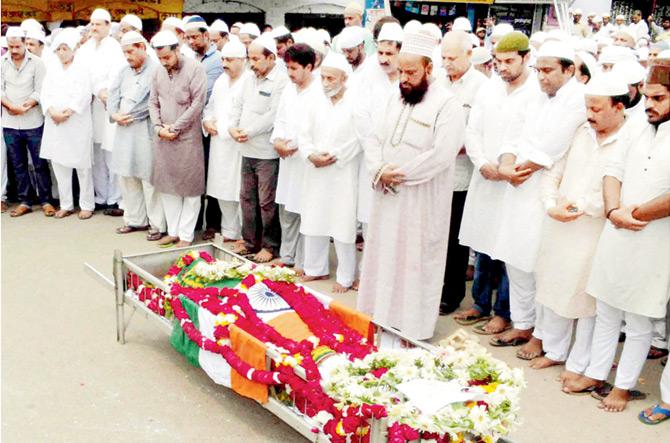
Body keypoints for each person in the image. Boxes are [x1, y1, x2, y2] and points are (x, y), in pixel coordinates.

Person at [563, 58, 670, 413]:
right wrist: (613, 212)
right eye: (649, 97)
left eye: (660, 98)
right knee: (607, 307)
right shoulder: (638, 126)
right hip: (619, 228)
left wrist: (632, 214)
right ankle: (596, 373)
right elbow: (613, 170)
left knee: (638, 318)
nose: (651, 104)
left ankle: (623, 387)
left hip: (654, 239)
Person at [357, 31, 466, 340]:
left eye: (411, 72)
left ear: (429, 69)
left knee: (415, 260)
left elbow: (442, 154)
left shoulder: (447, 105)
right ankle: (380, 315)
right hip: (387, 194)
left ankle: (413, 328)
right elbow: (374, 137)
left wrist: (399, 174)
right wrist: (379, 170)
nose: (403, 78)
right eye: (401, 71)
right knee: (384, 254)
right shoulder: (395, 94)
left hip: (421, 198)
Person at [489, 41, 586, 356]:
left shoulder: (577, 101)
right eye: (539, 70)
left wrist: (518, 171)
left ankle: (542, 336)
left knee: (539, 267)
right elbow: (512, 135)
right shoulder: (535, 97)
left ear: (569, 70)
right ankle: (523, 323)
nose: (542, 77)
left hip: (544, 189)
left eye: (548, 70)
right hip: (517, 186)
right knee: (515, 261)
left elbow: (552, 149)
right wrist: (506, 167)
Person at [531, 73, 630, 371]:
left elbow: (622, 189)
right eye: (588, 107)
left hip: (596, 230)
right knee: (554, 287)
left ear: (619, 107)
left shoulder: (630, 140)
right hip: (560, 222)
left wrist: (581, 206)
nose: (590, 115)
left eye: (597, 109)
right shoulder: (579, 132)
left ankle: (580, 363)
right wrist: (551, 204)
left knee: (588, 300)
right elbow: (553, 171)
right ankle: (554, 350)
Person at [457, 32, 539, 336]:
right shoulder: (489, 89)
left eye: (508, 61)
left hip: (515, 181)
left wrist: (505, 169)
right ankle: (480, 304)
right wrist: (483, 164)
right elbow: (472, 130)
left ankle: (504, 313)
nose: (502, 68)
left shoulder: (535, 92)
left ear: (526, 58)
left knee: (507, 248)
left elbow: (526, 137)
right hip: (486, 176)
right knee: (483, 242)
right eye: (498, 61)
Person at [299, 52, 361, 293]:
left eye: (331, 79)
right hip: (316, 169)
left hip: (342, 171)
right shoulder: (315, 101)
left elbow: (359, 137)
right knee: (314, 217)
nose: (325, 83)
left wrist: (335, 157)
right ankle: (315, 268)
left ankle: (346, 276)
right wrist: (310, 154)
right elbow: (303, 133)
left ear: (344, 78)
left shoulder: (355, 102)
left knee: (342, 222)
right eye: (323, 78)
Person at [439, 30, 488, 315]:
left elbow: (477, 130)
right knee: (434, 236)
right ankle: (433, 287)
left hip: (462, 175)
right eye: (444, 57)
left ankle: (452, 294)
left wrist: (453, 146)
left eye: (453, 58)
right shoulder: (438, 82)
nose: (447, 63)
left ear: (469, 54)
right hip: (436, 173)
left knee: (454, 241)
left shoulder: (481, 86)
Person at [228, 36, 288, 262]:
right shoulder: (248, 79)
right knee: (247, 199)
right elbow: (237, 106)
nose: (251, 64)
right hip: (246, 150)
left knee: (266, 201)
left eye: (256, 59)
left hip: (266, 153)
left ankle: (270, 246)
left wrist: (249, 131)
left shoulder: (281, 81)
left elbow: (273, 115)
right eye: (249, 58)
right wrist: (233, 127)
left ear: (271, 58)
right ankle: (250, 242)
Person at [148, 31, 207, 248]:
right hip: (163, 136)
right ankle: (173, 231)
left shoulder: (195, 69)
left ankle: (186, 235)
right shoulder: (157, 71)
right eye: (160, 58)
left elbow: (197, 104)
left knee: (190, 189)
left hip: (187, 138)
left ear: (177, 50)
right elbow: (153, 102)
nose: (164, 62)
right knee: (167, 186)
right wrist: (157, 127)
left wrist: (176, 127)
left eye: (167, 57)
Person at [108, 31, 165, 239]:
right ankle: (134, 220)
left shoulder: (157, 70)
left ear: (142, 46)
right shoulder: (123, 71)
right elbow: (113, 94)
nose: (127, 56)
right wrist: (114, 115)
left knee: (148, 178)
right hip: (124, 130)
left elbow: (151, 101)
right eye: (124, 52)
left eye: (130, 51)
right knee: (127, 177)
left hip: (145, 130)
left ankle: (157, 224)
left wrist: (127, 116)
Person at [271, 44, 320, 269]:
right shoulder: (289, 89)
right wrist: (278, 141)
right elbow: (280, 119)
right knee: (287, 209)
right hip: (288, 159)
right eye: (287, 67)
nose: (290, 73)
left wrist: (298, 146)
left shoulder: (320, 90)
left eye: (294, 68)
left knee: (306, 210)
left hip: (307, 161)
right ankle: (287, 256)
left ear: (309, 67)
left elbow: (319, 127)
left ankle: (304, 261)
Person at [353, 22, 403, 247]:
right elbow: (361, 116)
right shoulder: (369, 75)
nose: (383, 59)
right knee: (370, 217)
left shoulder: (409, 79)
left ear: (400, 52)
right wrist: (375, 154)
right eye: (380, 52)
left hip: (399, 162)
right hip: (372, 158)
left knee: (396, 222)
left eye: (389, 53)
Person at [39, 28, 94, 220]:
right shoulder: (52, 69)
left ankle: (87, 204)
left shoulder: (82, 68)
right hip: (55, 122)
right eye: (58, 49)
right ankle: (66, 204)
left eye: (64, 48)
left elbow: (85, 95)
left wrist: (68, 112)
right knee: (59, 164)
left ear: (73, 49)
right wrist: (52, 111)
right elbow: (44, 93)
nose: (61, 52)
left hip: (76, 122)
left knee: (82, 166)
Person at [77, 8, 126, 216]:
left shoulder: (115, 48)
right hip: (89, 107)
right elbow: (80, 75)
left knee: (111, 152)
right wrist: (95, 90)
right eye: (92, 24)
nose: (94, 28)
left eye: (98, 24)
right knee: (95, 153)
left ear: (108, 25)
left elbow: (117, 75)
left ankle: (115, 198)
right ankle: (100, 197)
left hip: (109, 106)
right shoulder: (85, 49)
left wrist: (104, 92)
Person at [1, 26, 54, 217]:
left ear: (24, 43)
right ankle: (25, 201)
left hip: (33, 121)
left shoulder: (37, 63)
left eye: (17, 46)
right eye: (10, 47)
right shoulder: (2, 63)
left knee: (40, 163)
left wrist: (26, 105)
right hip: (9, 122)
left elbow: (41, 90)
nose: (14, 51)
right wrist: (10, 107)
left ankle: (46, 200)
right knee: (18, 164)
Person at [203, 40, 250, 243]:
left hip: (238, 145)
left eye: (229, 60)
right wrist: (206, 121)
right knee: (220, 189)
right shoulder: (221, 80)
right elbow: (210, 107)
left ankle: (243, 234)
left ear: (242, 60)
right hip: (219, 144)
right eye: (223, 59)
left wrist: (222, 127)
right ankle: (229, 232)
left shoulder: (249, 81)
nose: (224, 64)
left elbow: (243, 117)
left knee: (238, 191)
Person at [184, 15, 224, 241]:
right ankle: (195, 221)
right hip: (190, 126)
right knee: (193, 175)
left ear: (206, 36)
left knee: (212, 175)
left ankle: (213, 223)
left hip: (209, 125)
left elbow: (206, 93)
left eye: (195, 37)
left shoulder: (217, 60)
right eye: (188, 38)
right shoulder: (187, 58)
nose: (191, 42)